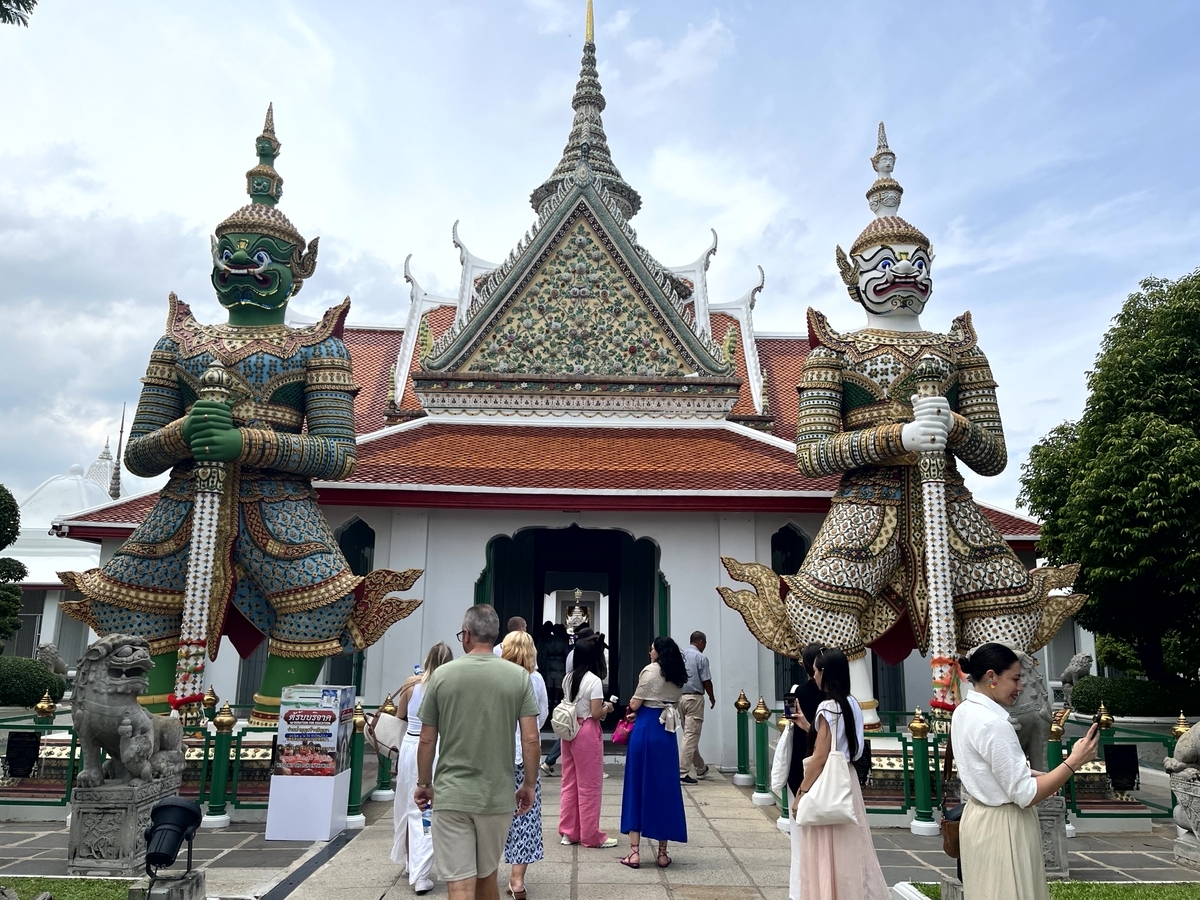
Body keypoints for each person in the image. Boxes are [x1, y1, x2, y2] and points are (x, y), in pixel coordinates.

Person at [952, 642, 1100, 900]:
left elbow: (986, 766)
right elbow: (1025, 795)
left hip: (978, 819)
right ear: (991, 677)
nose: (1020, 688)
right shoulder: (993, 723)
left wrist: (1030, 773)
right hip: (1004, 825)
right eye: (1016, 679)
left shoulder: (964, 711)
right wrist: (1074, 761)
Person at [415, 606, 541, 900]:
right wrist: (529, 785)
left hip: (452, 792)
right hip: (496, 795)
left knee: (459, 884)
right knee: (487, 877)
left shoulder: (442, 676)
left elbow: (426, 739)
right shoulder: (518, 677)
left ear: (467, 636)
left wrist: (424, 784)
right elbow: (531, 738)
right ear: (495, 634)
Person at [793, 646, 887, 900]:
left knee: (825, 848)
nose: (813, 677)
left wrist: (801, 792)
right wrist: (808, 725)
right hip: (847, 776)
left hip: (827, 779)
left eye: (815, 672)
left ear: (824, 672)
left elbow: (821, 756)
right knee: (850, 847)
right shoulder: (852, 704)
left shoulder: (828, 708)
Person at [619, 636, 688, 869]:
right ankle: (662, 852)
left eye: (652, 649)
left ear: (658, 651)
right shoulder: (677, 673)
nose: (650, 652)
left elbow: (636, 703)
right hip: (666, 732)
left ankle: (634, 852)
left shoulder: (650, 671)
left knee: (636, 786)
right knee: (664, 789)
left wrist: (632, 711)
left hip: (646, 728)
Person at [391, 642, 454, 894]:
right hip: (435, 747)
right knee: (427, 810)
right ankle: (421, 873)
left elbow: (399, 716)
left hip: (409, 746)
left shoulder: (409, 684)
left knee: (408, 806)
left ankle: (410, 862)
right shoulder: (449, 686)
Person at [772, 641, 824, 900]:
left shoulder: (795, 692)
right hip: (826, 769)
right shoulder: (837, 697)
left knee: (800, 836)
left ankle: (800, 890)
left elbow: (789, 720)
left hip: (799, 768)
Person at [500, 631, 549, 900]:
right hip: (524, 755)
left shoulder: (498, 676)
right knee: (525, 816)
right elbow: (540, 716)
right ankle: (517, 880)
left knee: (490, 815)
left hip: (497, 755)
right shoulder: (536, 679)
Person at [558, 638, 617, 849]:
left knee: (569, 781)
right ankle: (590, 835)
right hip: (587, 732)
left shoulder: (568, 678)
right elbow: (595, 713)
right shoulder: (594, 681)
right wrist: (607, 708)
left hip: (569, 731)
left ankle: (568, 832)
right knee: (589, 785)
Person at [541, 626, 607, 777]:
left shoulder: (570, 664)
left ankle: (550, 760)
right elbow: (596, 712)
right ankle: (550, 760)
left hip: (572, 699)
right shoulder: (589, 675)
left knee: (569, 776)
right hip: (582, 705)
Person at [679, 630, 716, 783]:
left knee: (689, 735)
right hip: (694, 698)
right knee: (691, 736)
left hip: (680, 698)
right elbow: (706, 681)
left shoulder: (681, 656)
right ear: (700, 641)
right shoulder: (701, 657)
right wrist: (712, 697)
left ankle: (701, 767)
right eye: (705, 643)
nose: (705, 646)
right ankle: (682, 772)